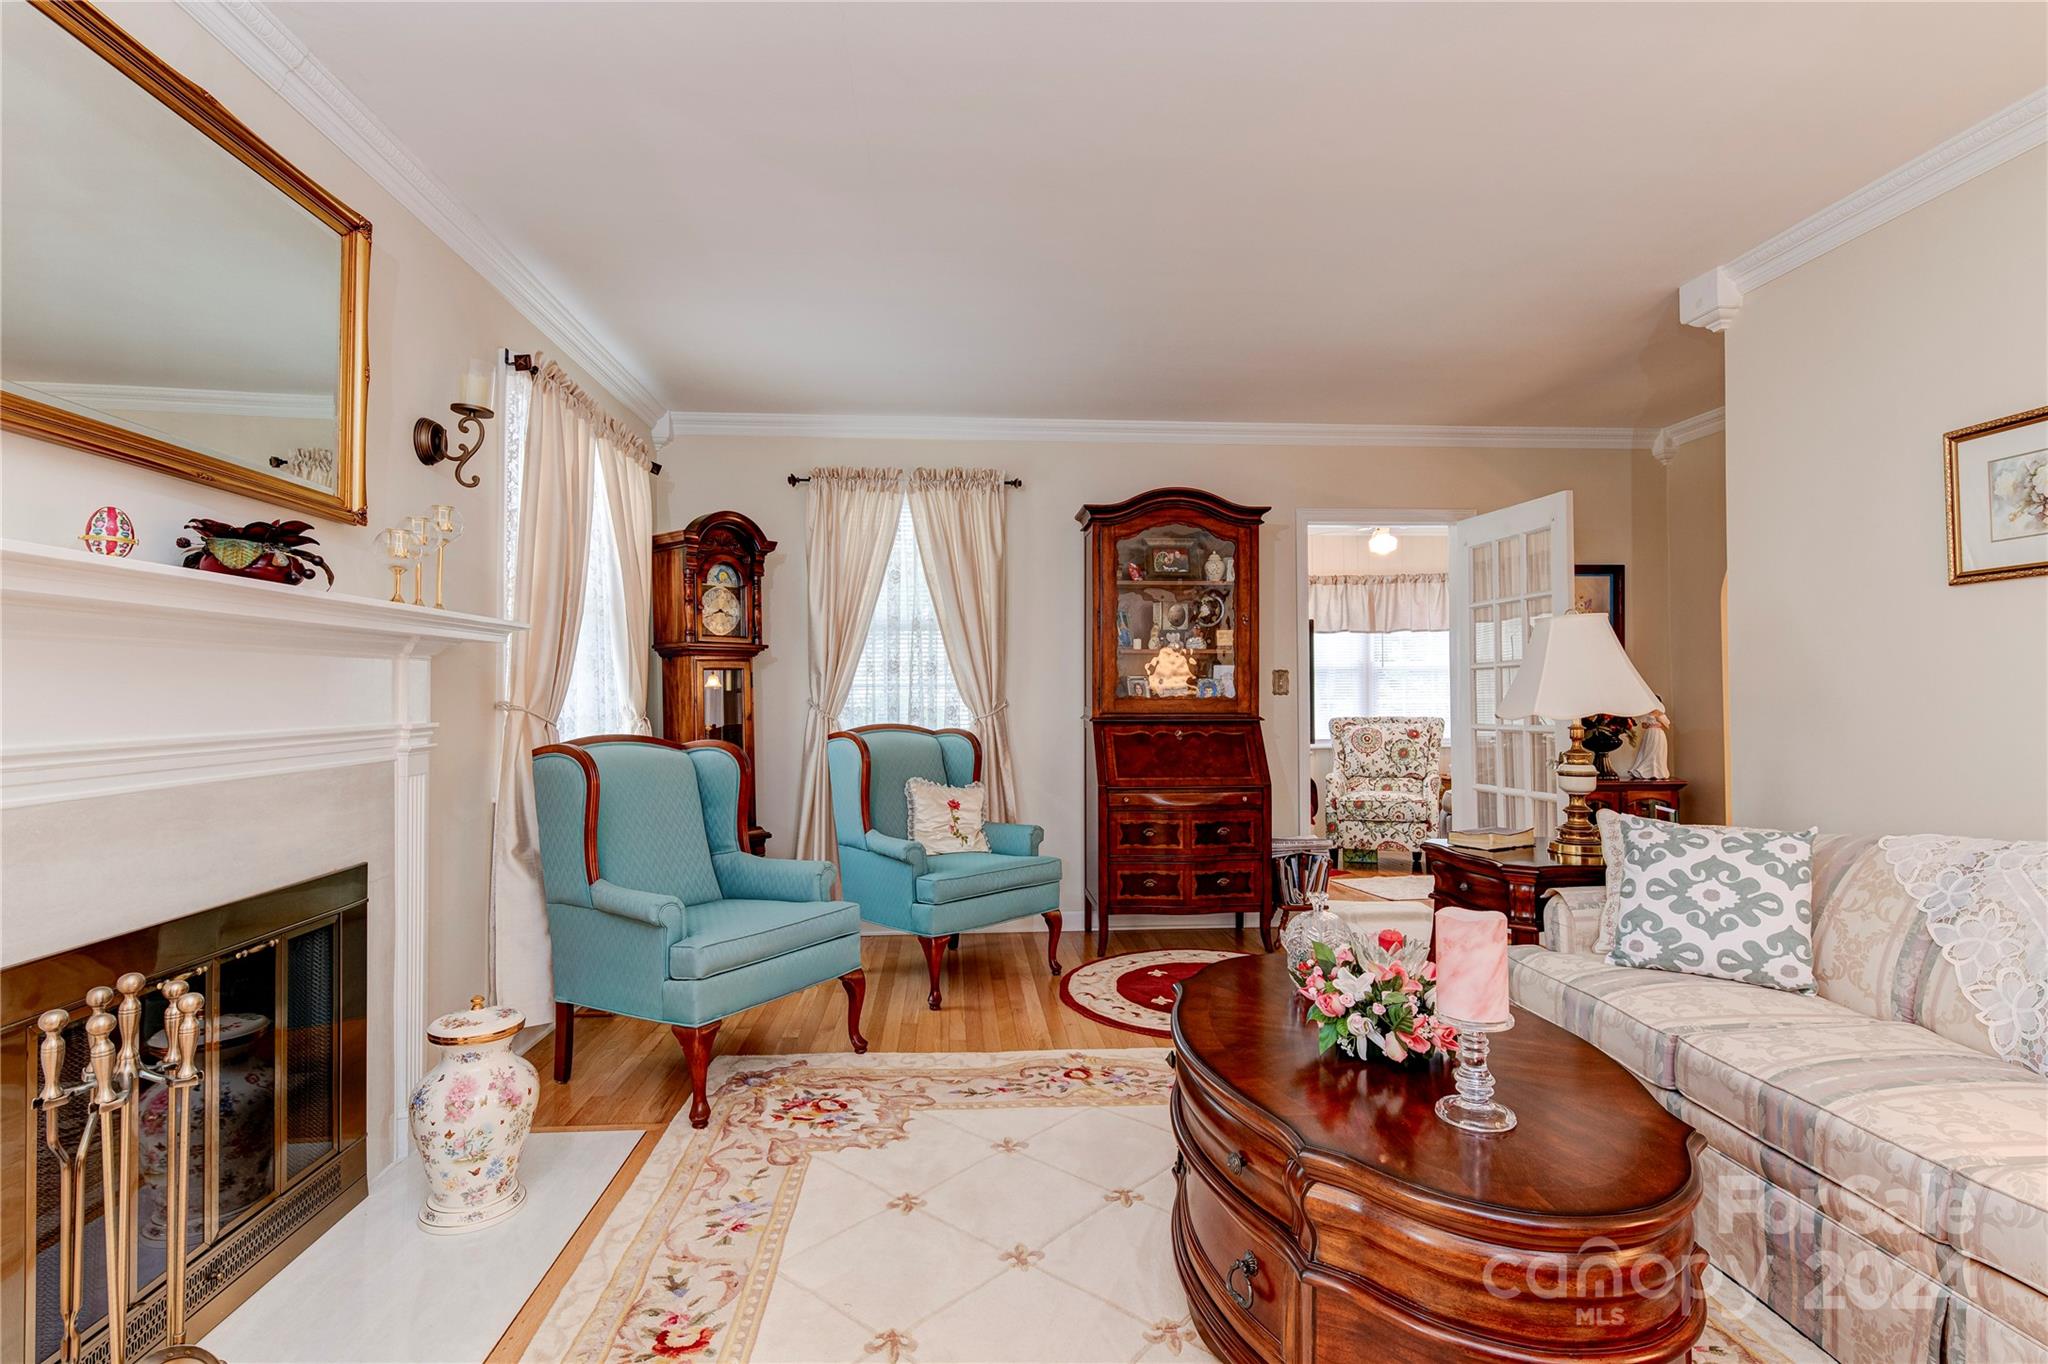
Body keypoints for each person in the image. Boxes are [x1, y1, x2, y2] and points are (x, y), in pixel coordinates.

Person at [1628, 706, 1672, 780]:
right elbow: (1643, 725)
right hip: (1649, 733)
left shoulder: (1661, 714)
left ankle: (1657, 772)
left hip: (1658, 733)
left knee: (1656, 752)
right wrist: (1648, 724)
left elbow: (1667, 726)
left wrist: (1659, 719)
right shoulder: (1648, 713)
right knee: (1647, 751)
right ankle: (1644, 771)